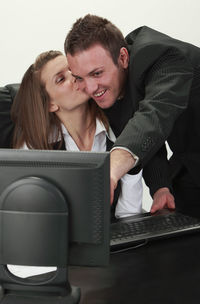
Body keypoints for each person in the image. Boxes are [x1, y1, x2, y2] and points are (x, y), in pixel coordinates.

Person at [64, 14, 200, 216]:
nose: (91, 88)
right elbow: (146, 138)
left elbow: (154, 116)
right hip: (189, 167)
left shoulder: (161, 56)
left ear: (123, 58)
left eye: (97, 73)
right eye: (79, 77)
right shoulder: (110, 90)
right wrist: (161, 187)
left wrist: (110, 169)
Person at [11, 50, 143, 219]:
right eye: (61, 79)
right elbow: (31, 220)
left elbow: (129, 215)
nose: (74, 77)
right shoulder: (34, 149)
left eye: (72, 70)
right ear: (50, 104)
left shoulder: (120, 131)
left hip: (117, 239)